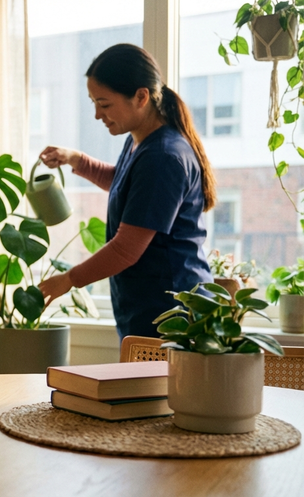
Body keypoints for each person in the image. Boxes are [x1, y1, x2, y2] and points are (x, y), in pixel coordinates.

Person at [37, 43, 216, 340]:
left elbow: (126, 249)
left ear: (141, 96)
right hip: (150, 307)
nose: (97, 114)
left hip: (172, 310)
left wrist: (69, 280)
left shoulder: (163, 156)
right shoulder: (140, 141)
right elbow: (126, 186)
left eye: (104, 104)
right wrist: (75, 159)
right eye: (94, 103)